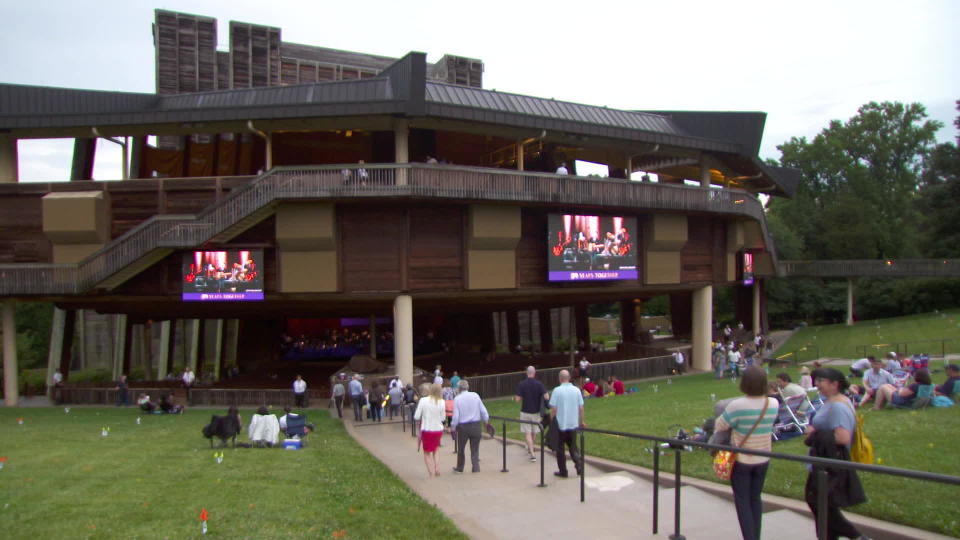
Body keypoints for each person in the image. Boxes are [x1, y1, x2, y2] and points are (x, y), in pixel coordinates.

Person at [713, 367, 778, 540]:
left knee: (742, 502)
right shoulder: (772, 403)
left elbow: (720, 425)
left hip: (742, 459)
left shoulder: (737, 405)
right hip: (764, 457)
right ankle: (755, 535)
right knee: (755, 498)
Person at [803, 368, 866, 540]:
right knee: (823, 506)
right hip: (823, 460)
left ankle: (856, 535)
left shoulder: (838, 406)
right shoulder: (834, 401)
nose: (817, 384)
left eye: (821, 381)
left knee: (818, 504)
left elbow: (842, 437)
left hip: (828, 463)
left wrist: (813, 434)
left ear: (834, 384)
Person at [549, 369, 585, 478]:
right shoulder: (576, 390)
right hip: (573, 424)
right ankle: (579, 466)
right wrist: (581, 421)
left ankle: (563, 471)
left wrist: (551, 421)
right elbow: (581, 408)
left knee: (560, 450)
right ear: (569, 378)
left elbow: (553, 409)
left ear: (560, 379)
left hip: (561, 424)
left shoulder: (557, 390)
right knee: (573, 447)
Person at [451, 379, 489, 473]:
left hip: (463, 427)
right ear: (467, 387)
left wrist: (453, 427)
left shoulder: (457, 399)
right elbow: (484, 411)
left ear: (459, 389)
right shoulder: (475, 395)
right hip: (476, 425)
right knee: (475, 449)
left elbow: (456, 417)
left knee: (461, 449)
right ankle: (476, 467)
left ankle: (460, 468)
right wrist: (486, 422)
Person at [515, 366, 549, 462]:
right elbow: (546, 396)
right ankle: (531, 449)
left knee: (528, 433)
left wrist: (518, 397)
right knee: (534, 432)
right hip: (536, 412)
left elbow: (517, 399)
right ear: (534, 373)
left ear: (527, 373)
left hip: (525, 411)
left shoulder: (522, 384)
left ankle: (532, 453)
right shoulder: (539, 384)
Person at [414, 383, 446, 477]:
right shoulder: (442, 402)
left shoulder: (423, 401)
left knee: (427, 452)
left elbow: (416, 416)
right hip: (438, 429)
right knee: (436, 449)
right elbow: (443, 418)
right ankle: (436, 468)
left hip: (427, 429)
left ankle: (430, 472)